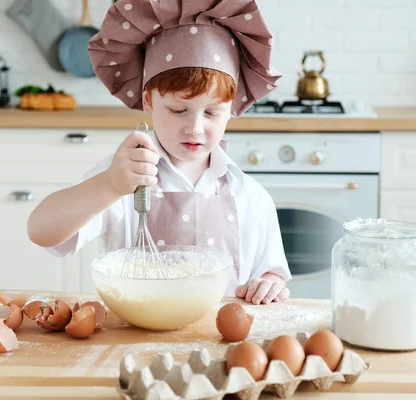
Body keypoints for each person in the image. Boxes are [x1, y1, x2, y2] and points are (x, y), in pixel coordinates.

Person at [27, 0, 291, 305]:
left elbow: (272, 274)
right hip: (136, 342)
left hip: (219, 345)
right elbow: (41, 231)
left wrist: (269, 283)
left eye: (212, 112)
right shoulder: (124, 177)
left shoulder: (250, 196)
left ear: (231, 109)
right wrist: (108, 185)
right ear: (148, 101)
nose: (194, 128)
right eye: (179, 110)